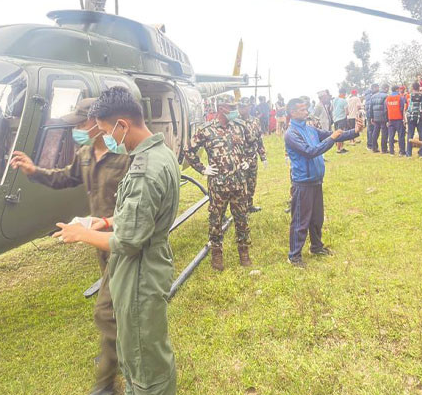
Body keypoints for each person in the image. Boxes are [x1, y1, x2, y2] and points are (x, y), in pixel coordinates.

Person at [52, 87, 179, 394]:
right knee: (149, 353)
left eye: (108, 131)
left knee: (143, 363)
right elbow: (141, 217)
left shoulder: (143, 170)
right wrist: (107, 221)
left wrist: (83, 233)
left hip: (139, 276)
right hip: (148, 265)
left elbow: (128, 242)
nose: (107, 139)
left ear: (122, 126)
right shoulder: (159, 155)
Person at [9, 98, 128, 395]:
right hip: (100, 243)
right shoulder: (86, 153)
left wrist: (105, 223)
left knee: (106, 310)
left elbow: (137, 207)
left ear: (99, 123)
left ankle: (105, 384)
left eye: (80, 123)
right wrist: (34, 171)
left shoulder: (127, 156)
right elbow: (65, 177)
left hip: (122, 239)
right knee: (120, 303)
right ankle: (121, 349)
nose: (76, 128)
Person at [284, 98, 358, 267]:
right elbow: (310, 152)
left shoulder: (310, 129)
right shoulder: (291, 134)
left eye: (306, 108)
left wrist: (355, 131)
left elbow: (335, 135)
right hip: (302, 183)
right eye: (302, 109)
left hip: (316, 180)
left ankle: (316, 247)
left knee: (316, 218)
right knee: (300, 220)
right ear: (293, 113)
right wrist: (331, 139)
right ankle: (294, 256)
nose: (306, 111)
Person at [184, 94, 252, 271]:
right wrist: (202, 168)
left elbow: (247, 146)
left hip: (239, 182)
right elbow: (189, 150)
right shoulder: (206, 130)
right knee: (216, 220)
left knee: (242, 218)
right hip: (218, 185)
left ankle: (244, 252)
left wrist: (245, 160)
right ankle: (216, 254)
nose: (235, 111)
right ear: (222, 108)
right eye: (231, 107)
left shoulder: (239, 128)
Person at [238, 97, 268, 212]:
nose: (242, 109)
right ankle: (241, 208)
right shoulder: (235, 122)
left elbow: (259, 139)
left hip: (252, 157)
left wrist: (263, 156)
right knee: (241, 184)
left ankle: (249, 205)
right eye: (240, 107)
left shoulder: (255, 121)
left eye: (244, 107)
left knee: (251, 182)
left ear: (249, 107)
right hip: (240, 158)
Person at [405, 82, 422, 158]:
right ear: (419, 88)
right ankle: (421, 153)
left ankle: (409, 153)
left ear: (412, 87)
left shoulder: (408, 96)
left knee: (410, 134)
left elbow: (406, 107)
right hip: (420, 117)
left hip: (410, 117)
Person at [385, 85, 406, 155]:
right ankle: (402, 151)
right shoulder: (400, 97)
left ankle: (391, 151)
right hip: (399, 119)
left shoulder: (387, 98)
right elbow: (402, 108)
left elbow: (386, 109)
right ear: (397, 90)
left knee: (391, 136)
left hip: (390, 119)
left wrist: (387, 120)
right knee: (401, 136)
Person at [366, 83, 388, 153]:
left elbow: (370, 108)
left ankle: (374, 147)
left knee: (375, 132)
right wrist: (388, 117)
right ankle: (384, 149)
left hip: (375, 117)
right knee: (384, 133)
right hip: (383, 117)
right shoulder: (386, 96)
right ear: (386, 88)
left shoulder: (373, 96)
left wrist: (371, 117)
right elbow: (386, 108)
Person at [362, 82, 379, 149]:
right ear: (374, 88)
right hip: (371, 114)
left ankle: (370, 144)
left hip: (369, 113)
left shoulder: (367, 95)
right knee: (372, 129)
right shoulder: (372, 95)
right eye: (377, 88)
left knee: (370, 129)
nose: (378, 89)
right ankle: (371, 144)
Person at [332, 89, 349, 154]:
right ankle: (339, 149)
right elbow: (347, 112)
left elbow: (332, 109)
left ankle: (341, 147)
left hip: (335, 119)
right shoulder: (344, 101)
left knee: (337, 133)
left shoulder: (334, 100)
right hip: (342, 119)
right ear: (344, 93)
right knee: (341, 134)